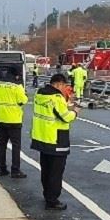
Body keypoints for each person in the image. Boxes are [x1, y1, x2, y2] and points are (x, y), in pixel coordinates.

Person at [31, 73, 79, 211]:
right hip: (56, 139)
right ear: (58, 84)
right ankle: (53, 200)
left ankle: (47, 195)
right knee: (56, 172)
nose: (65, 89)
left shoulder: (40, 95)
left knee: (46, 170)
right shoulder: (56, 98)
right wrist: (75, 112)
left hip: (42, 137)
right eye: (64, 86)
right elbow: (65, 117)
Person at [0, 69, 29, 178]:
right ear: (16, 76)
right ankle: (15, 170)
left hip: (1, 117)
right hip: (14, 119)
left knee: (2, 143)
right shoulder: (17, 87)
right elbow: (23, 100)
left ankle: (1, 168)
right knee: (15, 145)